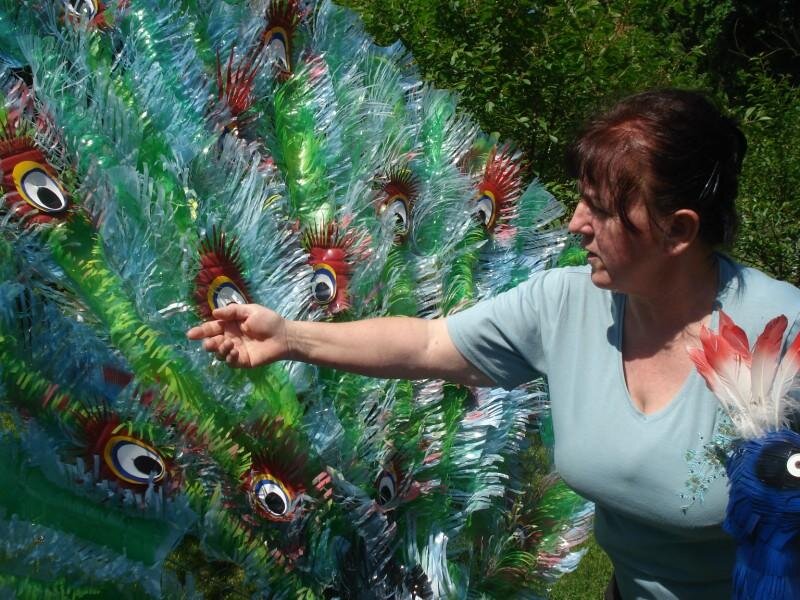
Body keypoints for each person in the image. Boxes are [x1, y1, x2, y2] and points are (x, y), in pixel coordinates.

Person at [188, 89, 800, 599]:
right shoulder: (567, 304)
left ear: (678, 230)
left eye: (601, 210)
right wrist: (290, 336)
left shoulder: (783, 338)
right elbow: (428, 344)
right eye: (580, 200)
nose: (575, 223)